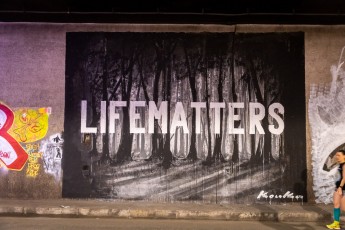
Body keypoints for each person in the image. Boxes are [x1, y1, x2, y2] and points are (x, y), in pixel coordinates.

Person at [327, 150, 345, 229]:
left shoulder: (344, 165)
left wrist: (340, 188)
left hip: (343, 188)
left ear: (344, 156)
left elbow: (344, 178)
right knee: (336, 204)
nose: (337, 157)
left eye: (339, 155)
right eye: (336, 155)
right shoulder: (340, 165)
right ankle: (336, 224)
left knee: (344, 207)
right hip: (338, 188)